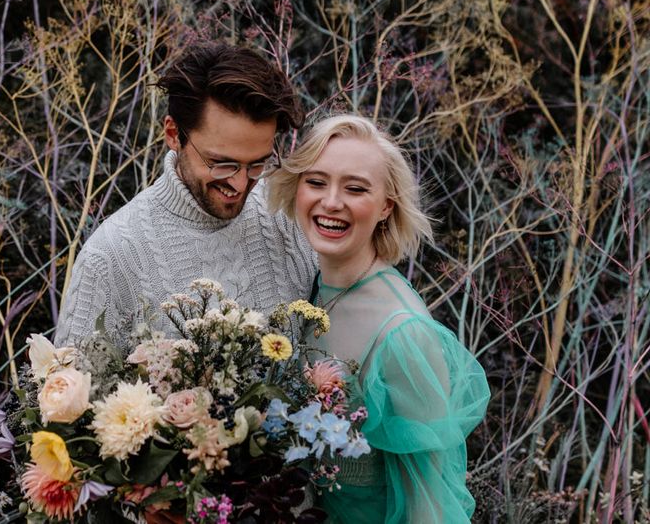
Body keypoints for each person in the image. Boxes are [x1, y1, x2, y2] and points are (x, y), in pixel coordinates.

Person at [268, 114, 490, 523]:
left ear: (386, 205)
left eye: (355, 189)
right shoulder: (308, 284)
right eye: (316, 182)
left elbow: (428, 503)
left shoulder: (403, 334)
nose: (331, 202)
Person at [55, 43, 316, 347]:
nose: (241, 183)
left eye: (257, 163)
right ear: (173, 134)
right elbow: (65, 383)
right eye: (221, 164)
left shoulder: (290, 211)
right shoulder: (110, 257)